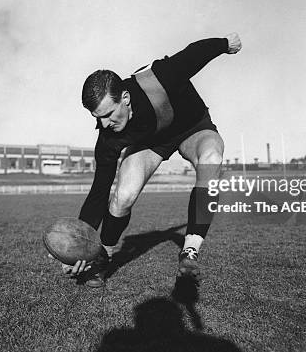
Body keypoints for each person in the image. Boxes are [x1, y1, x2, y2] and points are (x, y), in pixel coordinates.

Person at [66, 33, 242, 287]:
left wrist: (226, 44)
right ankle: (103, 257)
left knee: (212, 159)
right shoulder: (108, 136)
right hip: (152, 142)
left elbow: (195, 53)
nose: (104, 124)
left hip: (191, 127)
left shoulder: (161, 78)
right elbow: (98, 193)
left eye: (109, 114)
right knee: (122, 196)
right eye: (97, 117)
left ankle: (190, 251)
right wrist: (79, 244)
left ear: (125, 98)